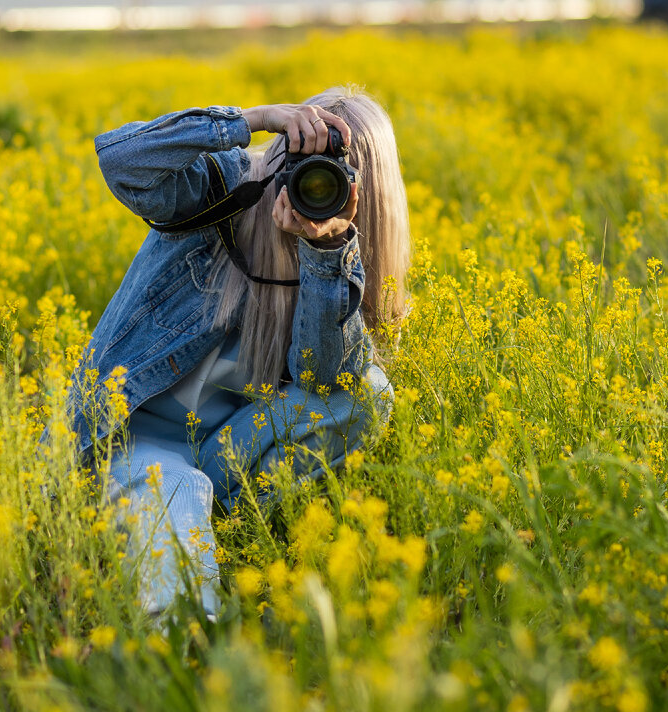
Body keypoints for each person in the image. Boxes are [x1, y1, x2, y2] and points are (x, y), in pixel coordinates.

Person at [62, 86, 411, 620]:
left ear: (368, 196)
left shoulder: (343, 255)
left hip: (225, 454)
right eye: (305, 165)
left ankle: (230, 523)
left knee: (368, 392)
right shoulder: (222, 191)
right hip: (134, 444)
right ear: (280, 154)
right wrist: (254, 118)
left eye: (335, 177)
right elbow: (122, 160)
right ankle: (181, 649)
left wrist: (327, 252)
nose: (314, 186)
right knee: (175, 489)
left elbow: (324, 381)